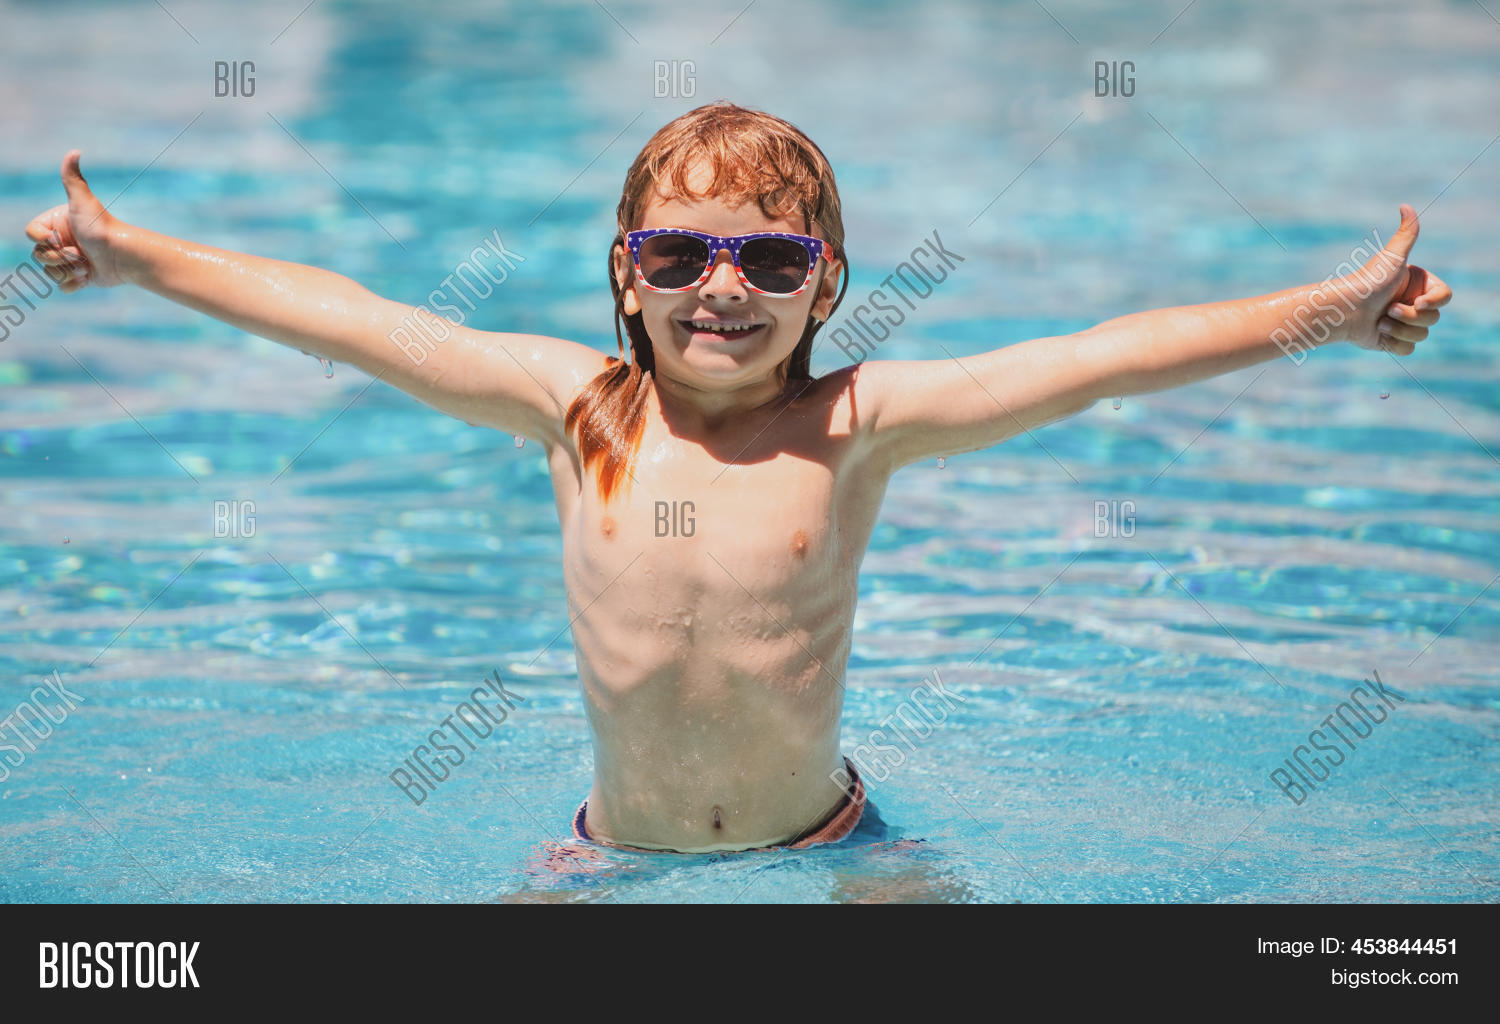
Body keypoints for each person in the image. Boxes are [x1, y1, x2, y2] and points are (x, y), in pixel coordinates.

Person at [23, 101, 1452, 854]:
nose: (724, 287)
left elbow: (1103, 358)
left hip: (835, 842)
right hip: (613, 855)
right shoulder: (575, 407)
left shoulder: (860, 423)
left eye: (772, 260)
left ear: (825, 287)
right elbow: (355, 321)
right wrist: (140, 255)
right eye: (679, 254)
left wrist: (1329, 309)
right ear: (625, 280)